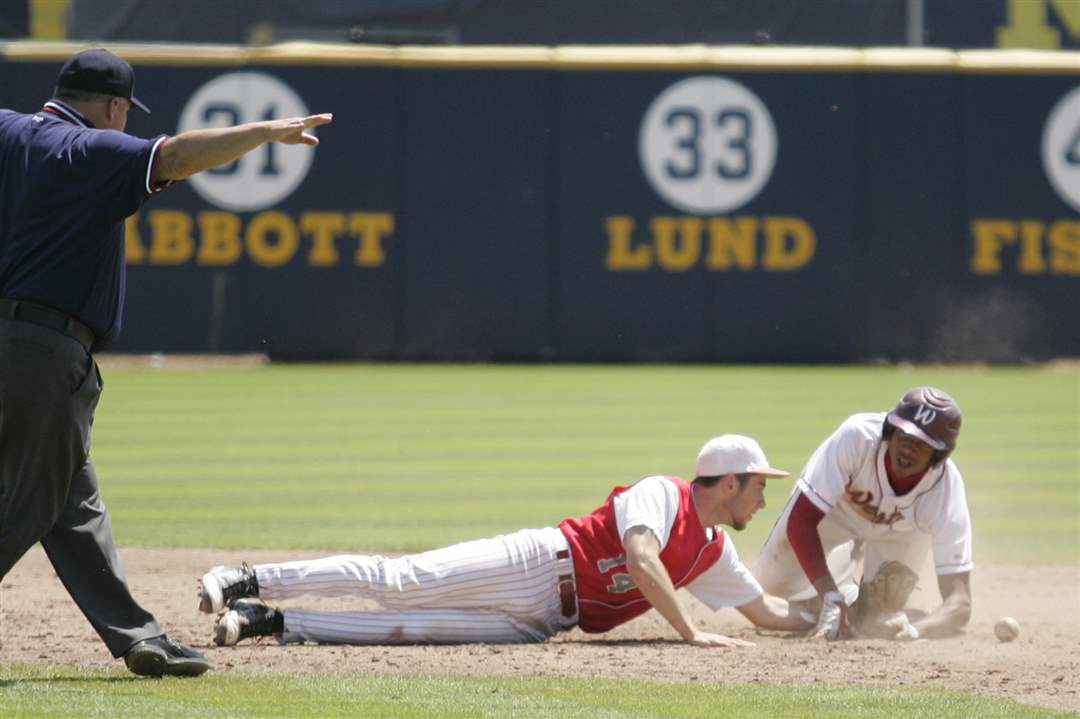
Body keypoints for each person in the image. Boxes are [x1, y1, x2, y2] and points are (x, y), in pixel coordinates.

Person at [0, 48, 332, 677]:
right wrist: (263, 132)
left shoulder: (7, 130)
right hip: (43, 353)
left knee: (75, 505)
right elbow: (175, 156)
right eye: (126, 112)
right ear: (113, 106)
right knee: (31, 503)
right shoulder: (93, 149)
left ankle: (139, 637)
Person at [198, 435, 814, 647]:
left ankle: (269, 621)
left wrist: (834, 613)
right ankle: (248, 579)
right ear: (728, 483)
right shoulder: (665, 493)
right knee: (401, 583)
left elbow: (765, 610)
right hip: (539, 565)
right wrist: (690, 631)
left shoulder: (713, 550)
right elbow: (641, 557)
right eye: (759, 487)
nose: (763, 500)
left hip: (543, 621)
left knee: (409, 630)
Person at [753, 387, 972, 641]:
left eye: (922, 444)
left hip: (899, 534)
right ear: (890, 430)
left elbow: (960, 602)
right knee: (771, 597)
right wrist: (830, 596)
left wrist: (915, 630)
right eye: (904, 435)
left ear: (938, 454)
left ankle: (853, 602)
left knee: (876, 618)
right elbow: (801, 520)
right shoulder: (857, 437)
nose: (908, 449)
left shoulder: (945, 489)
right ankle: (837, 591)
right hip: (833, 517)